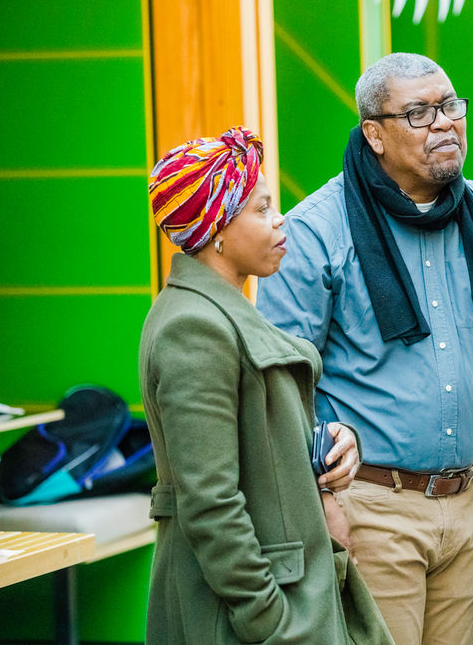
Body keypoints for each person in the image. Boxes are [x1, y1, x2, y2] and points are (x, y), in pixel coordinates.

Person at [256, 52, 473, 644]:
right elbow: (280, 383)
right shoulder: (316, 231)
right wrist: (320, 502)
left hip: (465, 501)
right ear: (375, 134)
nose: (443, 123)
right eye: (419, 112)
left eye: (450, 107)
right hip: (370, 504)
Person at [140, 127, 391, 644]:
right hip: (244, 616)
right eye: (261, 209)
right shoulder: (195, 327)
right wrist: (270, 619)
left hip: (286, 593)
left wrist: (327, 446)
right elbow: (210, 503)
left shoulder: (220, 312)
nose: (281, 221)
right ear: (217, 232)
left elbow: (259, 445)